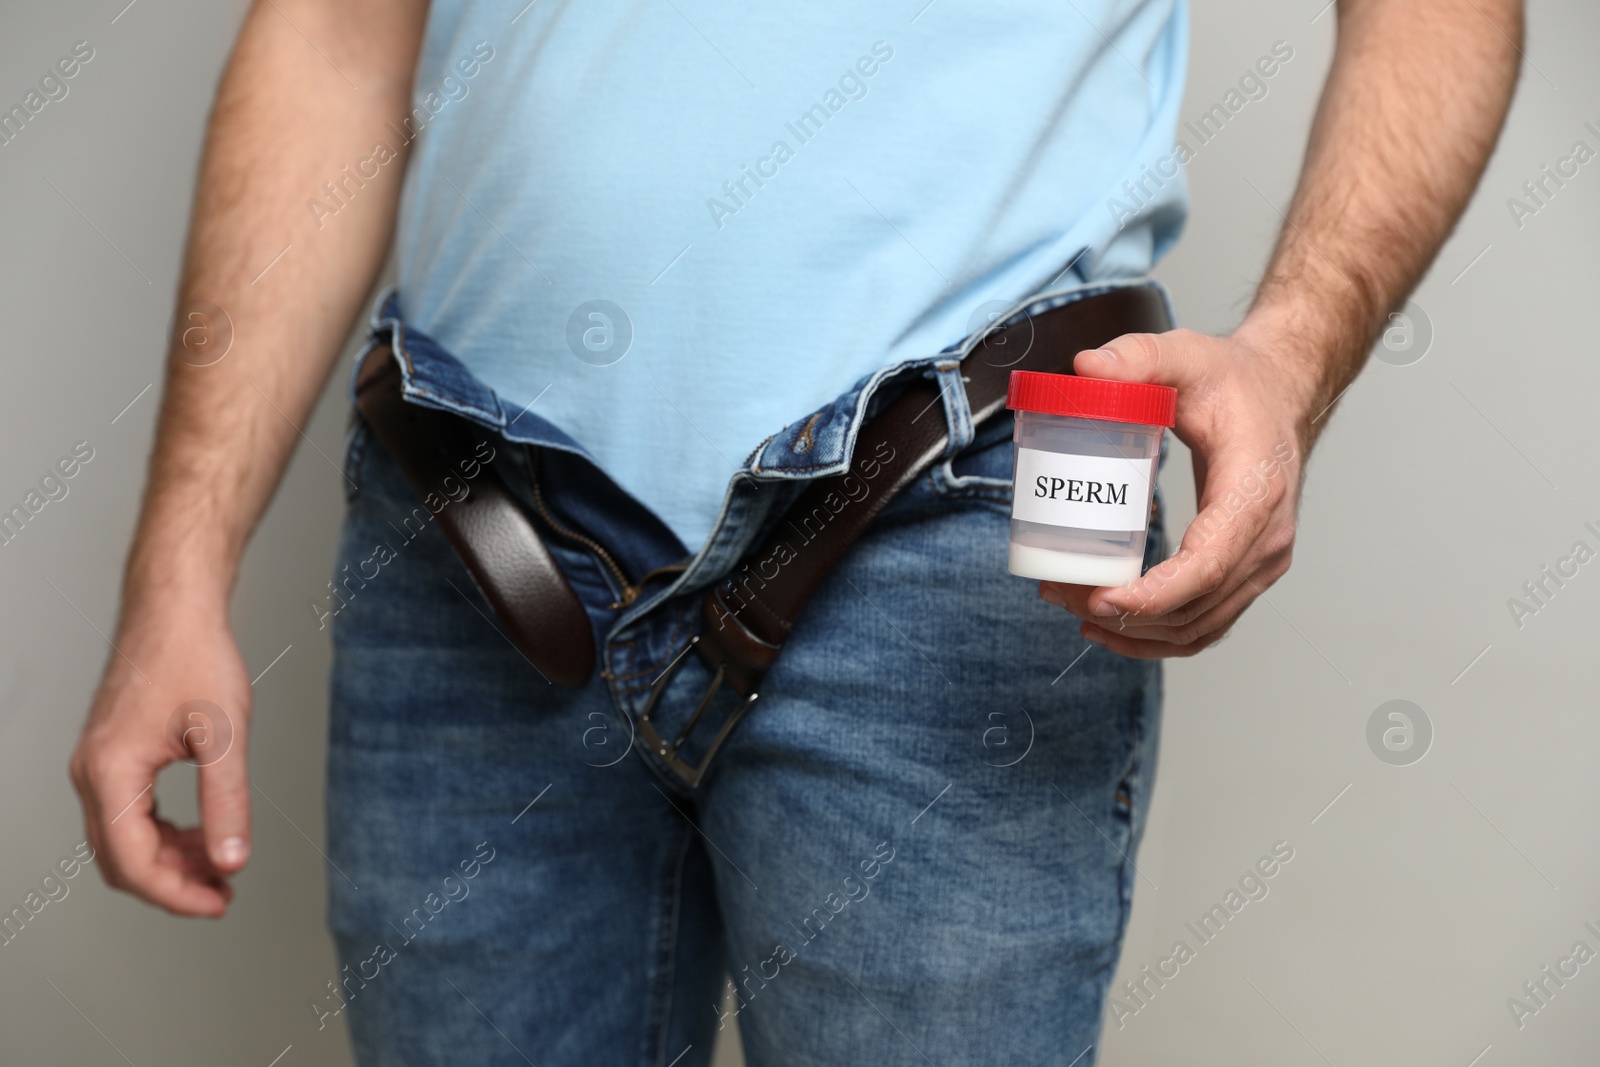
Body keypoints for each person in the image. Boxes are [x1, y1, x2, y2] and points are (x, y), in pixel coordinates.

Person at [69, 0, 1520, 1063]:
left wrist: (1293, 355)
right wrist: (179, 572)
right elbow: (331, 34)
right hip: (469, 532)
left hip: (960, 509)